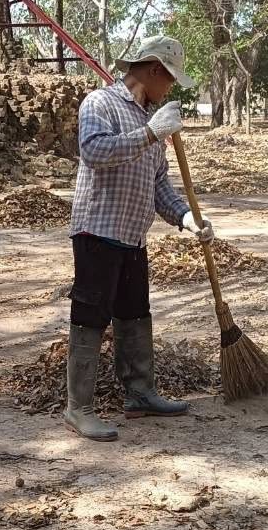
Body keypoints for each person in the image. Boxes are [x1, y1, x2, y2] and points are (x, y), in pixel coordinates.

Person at [65, 35, 215, 441]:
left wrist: (186, 217)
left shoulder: (152, 120)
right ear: (153, 70)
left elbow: (158, 183)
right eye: (170, 78)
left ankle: (140, 393)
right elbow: (95, 152)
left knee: (134, 312)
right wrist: (150, 133)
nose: (171, 87)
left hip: (133, 235)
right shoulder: (101, 103)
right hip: (97, 230)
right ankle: (79, 408)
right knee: (90, 315)